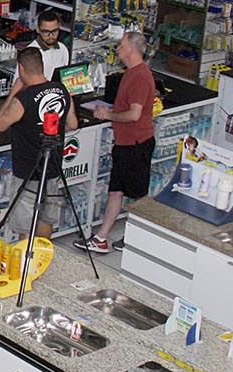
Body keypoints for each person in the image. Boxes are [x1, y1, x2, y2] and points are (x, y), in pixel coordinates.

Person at [76, 32, 155, 254]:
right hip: (125, 144)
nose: (118, 49)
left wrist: (108, 115)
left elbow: (134, 115)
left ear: (131, 49)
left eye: (121, 45)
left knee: (139, 196)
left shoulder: (139, 77)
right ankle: (101, 238)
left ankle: (138, 239)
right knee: (116, 191)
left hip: (135, 145)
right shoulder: (132, 73)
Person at [0, 46, 79, 239]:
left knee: (26, 224)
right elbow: (73, 124)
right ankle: (42, 259)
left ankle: (26, 263)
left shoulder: (22, 99)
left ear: (21, 70)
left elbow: (0, 124)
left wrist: (13, 93)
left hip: (27, 169)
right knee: (46, 219)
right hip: (53, 165)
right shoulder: (62, 89)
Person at [33, 11, 70, 79]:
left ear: (59, 27)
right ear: (38, 29)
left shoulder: (63, 49)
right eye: (46, 32)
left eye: (54, 31)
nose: (51, 36)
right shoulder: (30, 53)